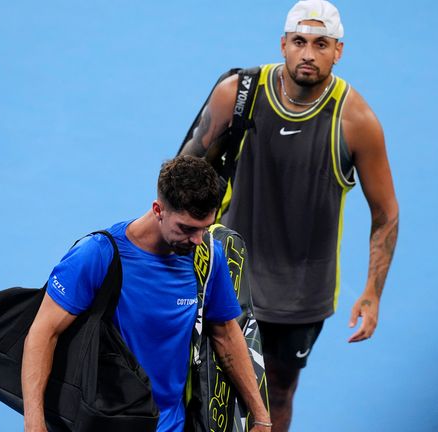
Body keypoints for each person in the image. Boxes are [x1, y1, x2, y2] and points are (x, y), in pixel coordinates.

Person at [179, 1, 399, 430]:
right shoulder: (236, 94)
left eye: (321, 44)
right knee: (203, 381)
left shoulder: (356, 122)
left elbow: (386, 214)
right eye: (299, 42)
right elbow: (181, 178)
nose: (308, 54)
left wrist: (372, 293)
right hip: (226, 274)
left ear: (338, 51)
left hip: (301, 297)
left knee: (277, 392)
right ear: (283, 44)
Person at [21, 155, 271, 432]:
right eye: (186, 228)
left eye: (204, 228)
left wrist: (260, 414)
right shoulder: (98, 255)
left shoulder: (209, 256)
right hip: (101, 421)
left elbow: (225, 333)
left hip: (170, 424)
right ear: (158, 209)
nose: (197, 240)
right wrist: (34, 422)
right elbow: (43, 333)